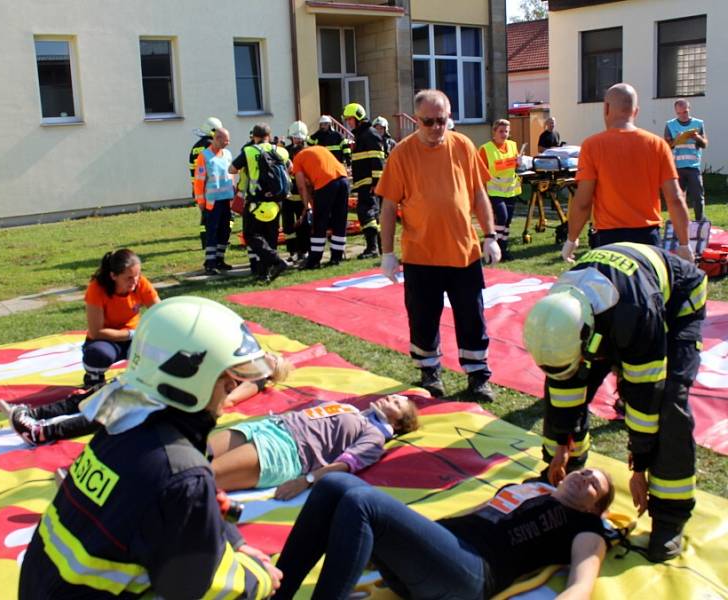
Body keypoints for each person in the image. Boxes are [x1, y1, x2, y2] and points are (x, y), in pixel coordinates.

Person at [18, 297, 282, 599]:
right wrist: (258, 577)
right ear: (193, 377)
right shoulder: (181, 474)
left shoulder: (126, 428)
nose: (234, 386)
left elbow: (176, 517)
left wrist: (234, 541)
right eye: (227, 375)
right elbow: (194, 585)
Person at [524, 242, 706, 562]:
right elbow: (565, 384)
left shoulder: (637, 316)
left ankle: (669, 518)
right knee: (565, 384)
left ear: (590, 338)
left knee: (670, 404)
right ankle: (566, 470)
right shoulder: (560, 310)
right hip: (609, 310)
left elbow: (645, 399)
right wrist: (562, 446)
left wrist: (640, 466)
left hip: (676, 299)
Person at [274, 468, 614, 600]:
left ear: (595, 507)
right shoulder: (527, 488)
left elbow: (582, 584)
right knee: (335, 483)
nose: (584, 477)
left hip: (472, 573)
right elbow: (467, 516)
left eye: (594, 484)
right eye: (584, 471)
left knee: (362, 501)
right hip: (436, 559)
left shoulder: (585, 526)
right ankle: (278, 591)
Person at [377, 89, 501, 401]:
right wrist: (388, 254)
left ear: (450, 118)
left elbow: (478, 194)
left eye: (441, 121)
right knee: (422, 318)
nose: (435, 127)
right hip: (421, 256)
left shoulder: (464, 146)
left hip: (463, 254)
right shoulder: (402, 154)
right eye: (428, 121)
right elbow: (389, 208)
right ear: (416, 120)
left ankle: (478, 376)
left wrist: (490, 236)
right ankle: (430, 373)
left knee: (472, 316)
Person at [0, 351, 293, 445]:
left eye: (268, 358)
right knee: (98, 394)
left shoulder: (251, 382)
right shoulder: (238, 364)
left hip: (171, 399)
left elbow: (222, 402)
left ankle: (42, 431)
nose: (260, 355)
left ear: (269, 371)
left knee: (109, 412)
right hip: (165, 383)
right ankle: (37, 415)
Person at [562, 83, 693, 263]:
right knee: (648, 289)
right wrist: (685, 245)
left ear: (606, 108)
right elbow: (675, 198)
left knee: (613, 290)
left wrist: (572, 239)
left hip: (610, 240)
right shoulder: (657, 145)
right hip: (648, 239)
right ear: (635, 111)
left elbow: (583, 202)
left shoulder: (592, 146)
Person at [209, 395, 419, 499]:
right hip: (267, 427)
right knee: (188, 454)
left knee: (203, 476)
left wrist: (306, 480)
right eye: (394, 396)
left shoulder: (374, 438)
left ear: (399, 423)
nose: (391, 397)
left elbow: (344, 465)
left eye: (398, 404)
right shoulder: (354, 410)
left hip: (285, 450)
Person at [81, 249, 160, 388]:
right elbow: (96, 332)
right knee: (97, 354)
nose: (135, 281)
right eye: (129, 278)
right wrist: (131, 334)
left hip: (134, 338)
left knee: (161, 349)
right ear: (113, 276)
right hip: (107, 340)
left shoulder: (140, 282)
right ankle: (94, 378)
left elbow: (160, 312)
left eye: (137, 275)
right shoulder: (96, 289)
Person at [229, 123, 290, 283]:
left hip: (256, 201)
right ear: (268, 136)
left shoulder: (249, 151)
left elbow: (232, 169)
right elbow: (290, 167)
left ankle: (277, 262)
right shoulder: (280, 151)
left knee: (251, 235)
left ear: (254, 137)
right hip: (275, 202)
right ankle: (265, 273)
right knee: (270, 238)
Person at [291, 144, 350, 269]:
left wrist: (307, 208)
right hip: (343, 179)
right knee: (339, 220)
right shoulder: (320, 149)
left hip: (326, 184)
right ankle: (336, 258)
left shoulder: (297, 159)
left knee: (319, 223)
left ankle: (314, 260)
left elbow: (301, 187)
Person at [344, 102, 386, 260]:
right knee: (371, 215)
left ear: (359, 118)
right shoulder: (362, 135)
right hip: (364, 183)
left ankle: (372, 247)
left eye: (350, 119)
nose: (348, 122)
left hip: (370, 184)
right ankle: (378, 247)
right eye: (347, 119)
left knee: (366, 212)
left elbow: (377, 161)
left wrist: (376, 183)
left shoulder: (370, 134)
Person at [479, 119, 522, 261]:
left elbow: (513, 167)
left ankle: (503, 248)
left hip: (510, 190)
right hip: (494, 191)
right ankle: (495, 245)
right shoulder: (486, 149)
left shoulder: (512, 146)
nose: (504, 134)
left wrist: (519, 163)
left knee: (508, 221)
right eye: (501, 131)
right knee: (501, 217)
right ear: (494, 132)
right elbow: (480, 172)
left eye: (506, 131)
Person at [194, 127, 235, 275]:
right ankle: (210, 263)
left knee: (225, 231)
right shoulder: (204, 156)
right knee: (212, 232)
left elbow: (231, 176)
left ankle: (220, 259)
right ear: (216, 139)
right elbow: (199, 182)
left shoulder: (228, 154)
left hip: (227, 200)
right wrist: (200, 202)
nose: (227, 144)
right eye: (225, 141)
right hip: (212, 202)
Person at [664, 99, 708, 222]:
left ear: (689, 109)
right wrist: (675, 140)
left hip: (693, 166)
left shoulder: (698, 123)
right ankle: (678, 222)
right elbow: (666, 146)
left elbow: (704, 144)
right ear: (675, 112)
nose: (683, 115)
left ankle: (700, 221)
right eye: (679, 113)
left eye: (685, 112)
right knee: (678, 197)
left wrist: (697, 137)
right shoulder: (670, 125)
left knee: (697, 196)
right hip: (677, 167)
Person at [188, 117, 222, 249]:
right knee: (217, 214)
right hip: (211, 186)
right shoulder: (211, 145)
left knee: (205, 215)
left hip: (198, 187)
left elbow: (192, 168)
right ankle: (217, 241)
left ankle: (205, 242)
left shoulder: (195, 147)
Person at [282, 121, 312, 264]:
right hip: (287, 196)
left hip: (303, 195)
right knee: (288, 226)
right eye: (295, 137)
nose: (297, 140)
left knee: (304, 225)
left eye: (300, 138)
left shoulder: (308, 151)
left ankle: (304, 251)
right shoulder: (284, 152)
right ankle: (292, 251)